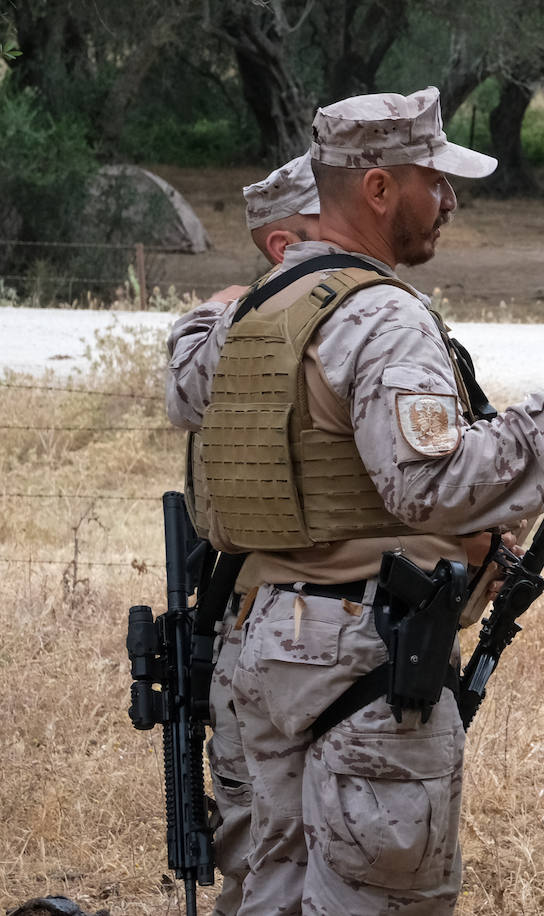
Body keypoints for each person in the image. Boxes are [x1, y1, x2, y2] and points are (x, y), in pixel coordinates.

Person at [165, 86, 544, 916]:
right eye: (435, 180)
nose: (449, 200)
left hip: (263, 646)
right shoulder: (382, 317)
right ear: (380, 189)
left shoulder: (259, 311)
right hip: (361, 648)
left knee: (270, 894)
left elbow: (184, 387)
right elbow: (429, 486)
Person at [163, 151, 323, 916]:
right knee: (266, 848)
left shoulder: (232, 327)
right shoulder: (278, 326)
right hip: (269, 624)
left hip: (259, 630)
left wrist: (211, 310)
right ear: (285, 248)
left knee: (267, 850)